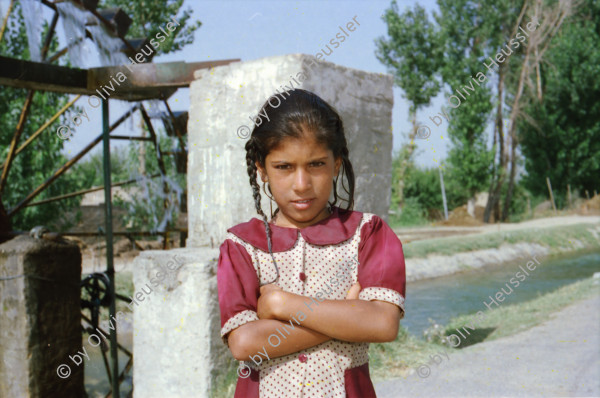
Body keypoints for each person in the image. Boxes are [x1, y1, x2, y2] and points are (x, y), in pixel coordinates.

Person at [217, 89, 406, 397]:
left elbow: (383, 324)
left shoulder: (369, 234)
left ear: (336, 164)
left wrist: (281, 305)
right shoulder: (241, 245)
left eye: (316, 164)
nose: (302, 184)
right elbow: (244, 343)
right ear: (261, 169)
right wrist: (348, 314)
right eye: (284, 167)